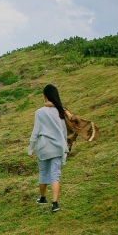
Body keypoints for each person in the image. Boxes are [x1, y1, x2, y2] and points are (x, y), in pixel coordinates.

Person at [28, 84, 69, 212]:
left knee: (43, 172)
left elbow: (35, 132)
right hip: (57, 147)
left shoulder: (39, 112)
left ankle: (43, 198)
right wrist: (66, 146)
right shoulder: (60, 111)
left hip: (43, 147)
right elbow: (64, 131)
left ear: (44, 96)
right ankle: (55, 203)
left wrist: (30, 149)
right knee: (55, 175)